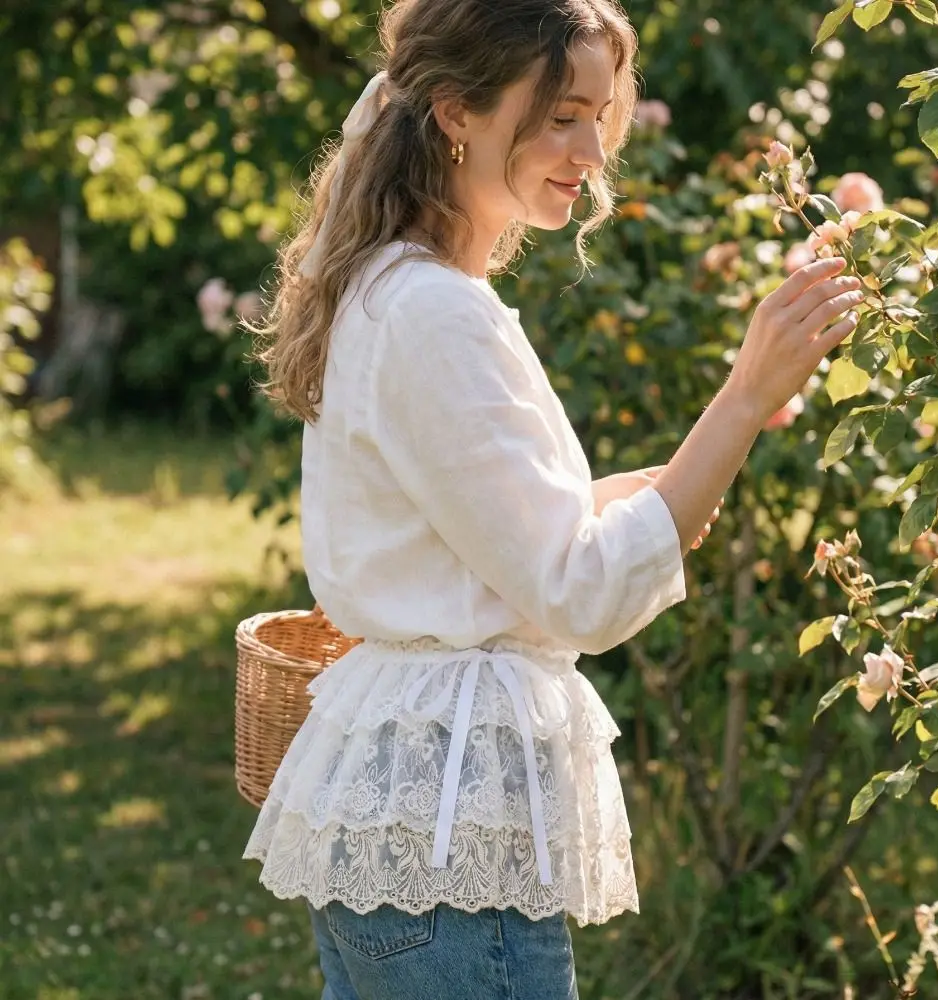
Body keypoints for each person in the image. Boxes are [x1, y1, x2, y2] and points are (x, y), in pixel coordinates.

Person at [242, 0, 864, 996]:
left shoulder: (399, 288)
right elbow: (581, 592)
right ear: (457, 112)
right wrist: (745, 394)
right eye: (562, 116)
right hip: (447, 852)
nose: (591, 151)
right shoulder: (434, 312)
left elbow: (496, 532)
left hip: (400, 838)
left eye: (599, 116)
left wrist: (680, 467)